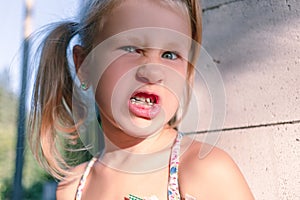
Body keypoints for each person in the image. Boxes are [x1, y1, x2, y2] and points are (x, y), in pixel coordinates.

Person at [28, 0, 255, 199]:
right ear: (84, 65)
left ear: (187, 74)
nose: (153, 72)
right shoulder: (73, 188)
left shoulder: (203, 170)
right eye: (132, 48)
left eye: (170, 55)